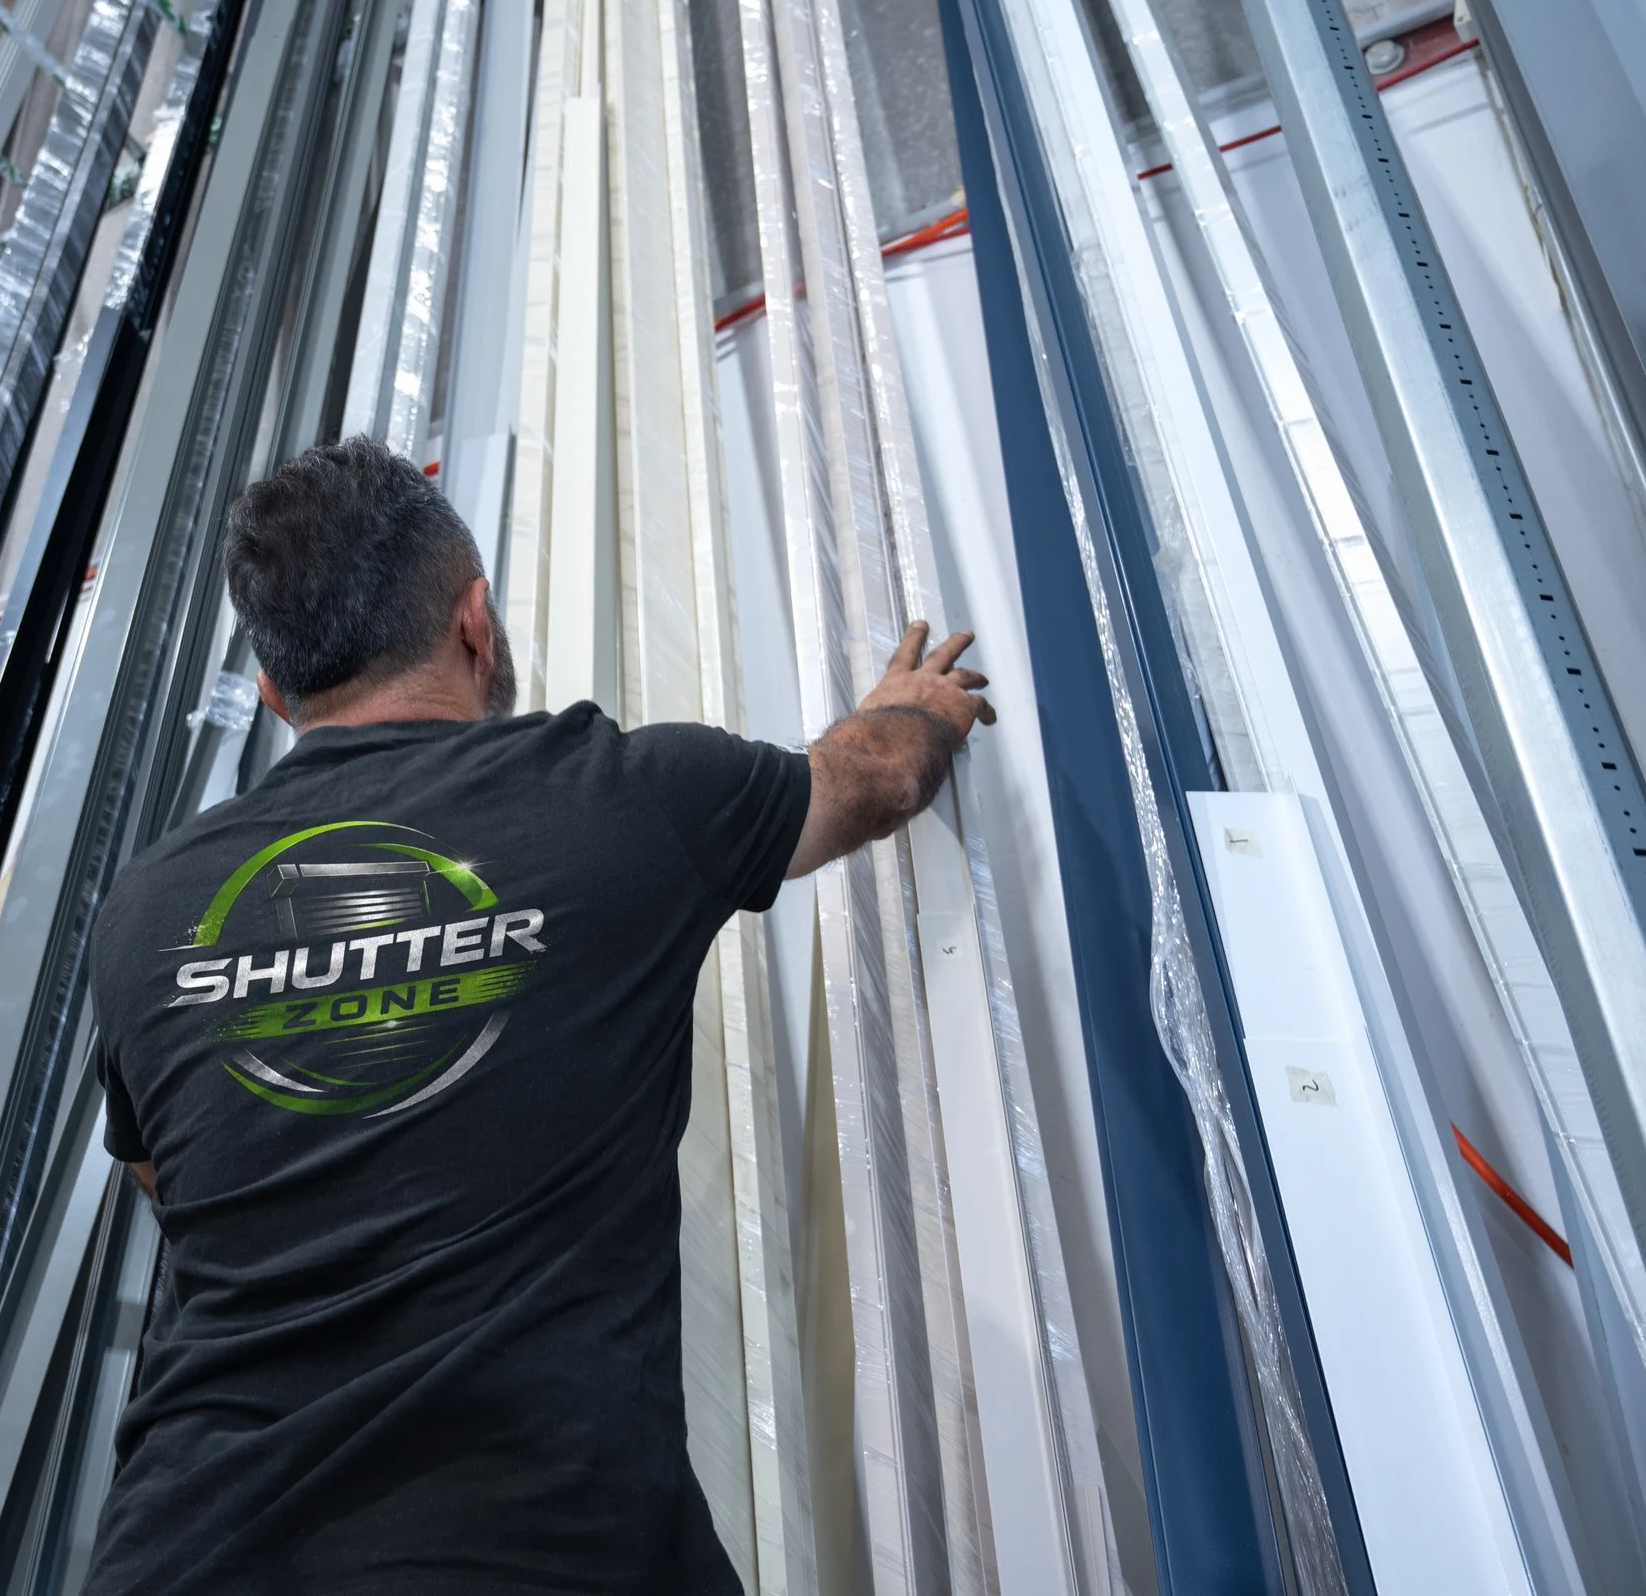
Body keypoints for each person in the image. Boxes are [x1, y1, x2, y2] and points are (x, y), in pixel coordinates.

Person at [83, 437, 993, 1594]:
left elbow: (172, 1182)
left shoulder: (149, 909)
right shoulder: (618, 798)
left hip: (188, 1552)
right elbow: (875, 779)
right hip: (536, 1549)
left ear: (274, 690)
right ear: (475, 623)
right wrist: (916, 705)